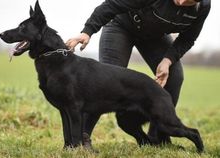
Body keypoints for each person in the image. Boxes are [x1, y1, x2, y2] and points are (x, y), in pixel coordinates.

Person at [66, 0, 211, 145]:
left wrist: (167, 61)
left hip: (154, 36)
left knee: (174, 76)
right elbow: (112, 4)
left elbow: (188, 38)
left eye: (187, 2)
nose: (180, 2)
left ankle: (159, 136)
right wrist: (87, 31)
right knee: (105, 82)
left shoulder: (203, 6)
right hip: (121, 26)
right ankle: (82, 137)